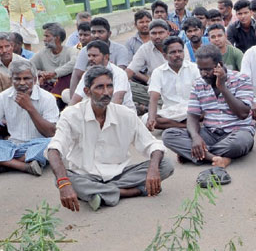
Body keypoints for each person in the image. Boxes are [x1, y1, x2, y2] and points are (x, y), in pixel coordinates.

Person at [47, 66, 174, 211]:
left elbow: (153, 144)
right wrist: (64, 184)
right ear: (87, 92)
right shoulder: (71, 115)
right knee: (62, 178)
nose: (106, 92)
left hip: (120, 174)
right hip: (86, 176)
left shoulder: (125, 114)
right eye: (100, 87)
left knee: (165, 165)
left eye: (110, 86)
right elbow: (54, 150)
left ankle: (99, 193)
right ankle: (133, 191)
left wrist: (152, 169)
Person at [162, 45, 255, 183]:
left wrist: (222, 87)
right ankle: (216, 158)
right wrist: (195, 138)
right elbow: (192, 116)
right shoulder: (199, 84)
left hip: (237, 132)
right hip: (210, 133)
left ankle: (198, 154)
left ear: (220, 65)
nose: (204, 73)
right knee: (168, 135)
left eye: (208, 69)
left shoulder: (241, 79)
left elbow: (242, 113)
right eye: (201, 70)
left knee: (239, 143)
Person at [0, 59, 58, 176]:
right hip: (13, 146)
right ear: (11, 80)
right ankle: (24, 166)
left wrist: (29, 108)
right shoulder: (4, 96)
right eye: (17, 79)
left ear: (35, 79)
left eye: (26, 78)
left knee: (54, 143)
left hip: (38, 145)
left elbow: (51, 133)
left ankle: (4, 164)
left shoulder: (47, 98)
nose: (22, 83)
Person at [146, 36, 200, 131]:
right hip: (171, 113)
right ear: (165, 56)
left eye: (180, 51)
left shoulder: (194, 68)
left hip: (192, 110)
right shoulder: (158, 72)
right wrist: (151, 118)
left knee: (207, 111)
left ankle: (178, 125)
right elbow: (153, 99)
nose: (178, 55)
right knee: (147, 118)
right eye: (173, 52)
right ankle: (185, 126)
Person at [69, 17, 131, 97]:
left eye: (100, 32)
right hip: (92, 89)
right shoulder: (85, 50)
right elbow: (77, 75)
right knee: (66, 94)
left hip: (115, 87)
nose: (96, 35)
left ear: (109, 34)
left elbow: (119, 73)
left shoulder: (120, 49)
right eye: (93, 32)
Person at [68, 40, 135, 111]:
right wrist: (66, 115)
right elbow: (76, 98)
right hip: (98, 113)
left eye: (94, 56)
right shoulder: (87, 74)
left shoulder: (119, 73)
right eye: (89, 56)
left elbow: (117, 100)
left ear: (106, 57)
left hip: (122, 114)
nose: (90, 59)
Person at [31, 23, 77, 95]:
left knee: (66, 76)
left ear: (57, 38)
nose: (44, 39)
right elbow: (29, 66)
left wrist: (55, 73)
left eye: (47, 36)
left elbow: (75, 62)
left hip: (65, 88)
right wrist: (41, 73)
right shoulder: (42, 53)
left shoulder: (70, 51)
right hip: (48, 86)